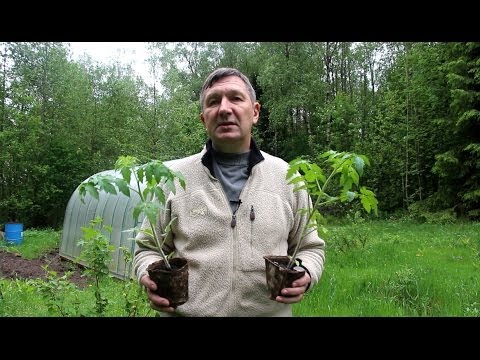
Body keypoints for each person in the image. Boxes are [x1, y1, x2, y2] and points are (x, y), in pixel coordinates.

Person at [133, 67, 325, 317]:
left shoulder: (285, 177)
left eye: (235, 98)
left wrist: (307, 272)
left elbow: (310, 247)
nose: (224, 109)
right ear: (204, 118)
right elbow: (147, 248)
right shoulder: (174, 179)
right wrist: (148, 274)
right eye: (213, 101)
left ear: (255, 112)